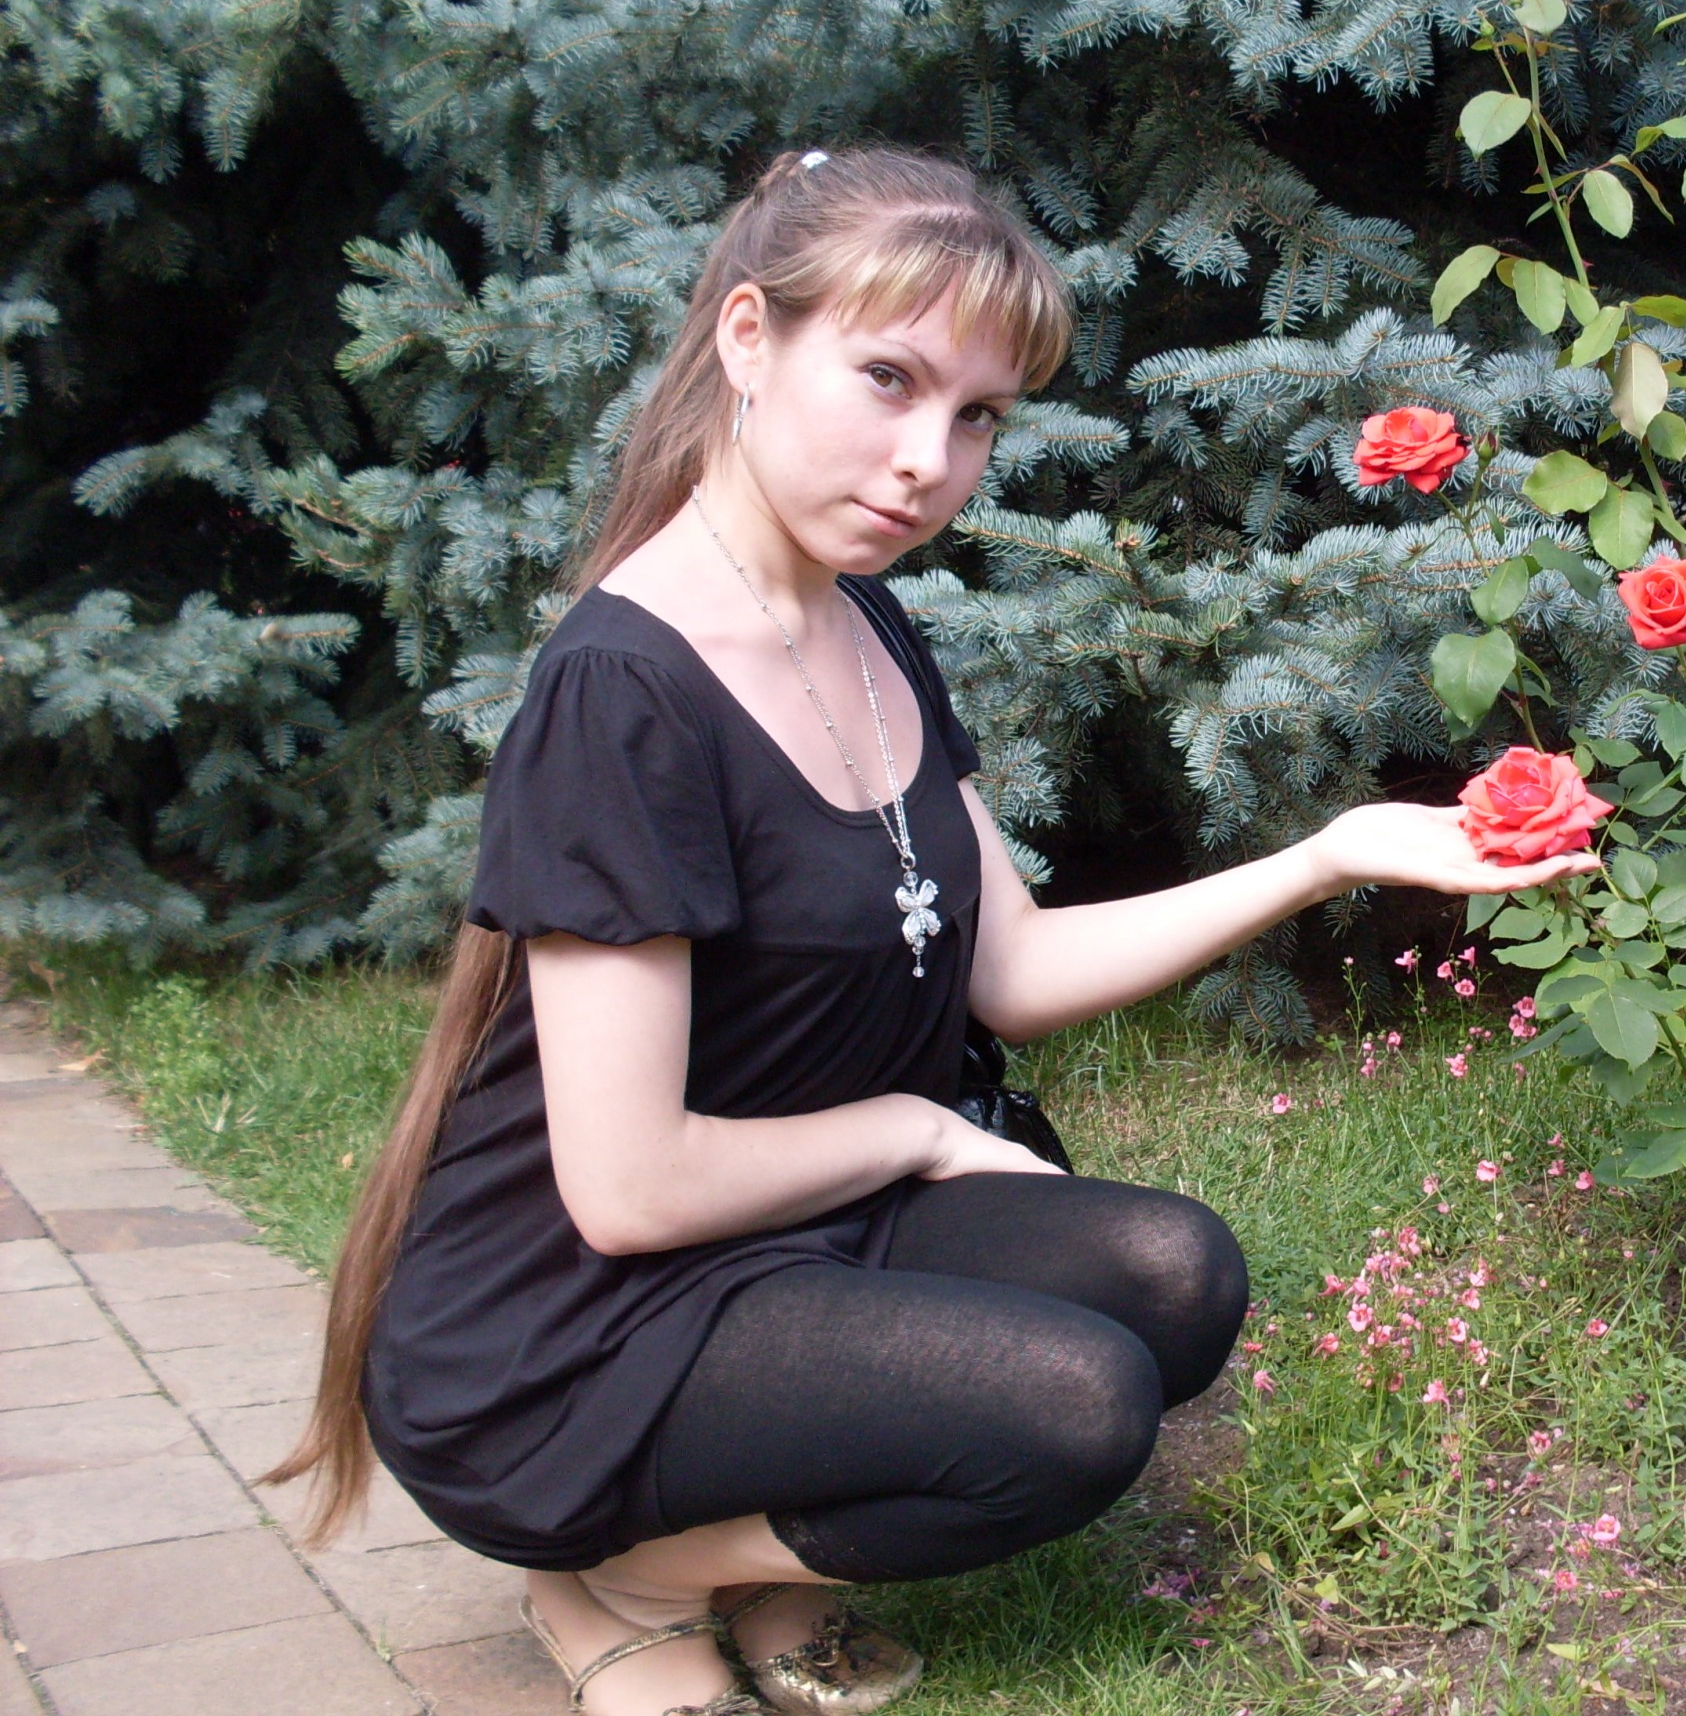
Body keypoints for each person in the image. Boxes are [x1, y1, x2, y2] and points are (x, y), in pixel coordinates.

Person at [268, 145, 1593, 1716]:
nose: (928, 462)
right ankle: (625, 1571)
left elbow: (1009, 971)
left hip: (797, 1230)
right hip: (572, 1324)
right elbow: (626, 1191)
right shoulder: (624, 689)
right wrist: (913, 1128)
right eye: (888, 380)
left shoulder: (865, 618)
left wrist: (1326, 856)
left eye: (977, 417)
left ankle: (739, 1547)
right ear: (749, 341)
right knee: (1075, 1409)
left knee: (1173, 1278)